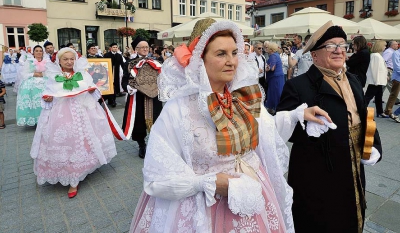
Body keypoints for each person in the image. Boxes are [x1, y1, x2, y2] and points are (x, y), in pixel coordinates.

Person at [129, 18, 333, 232]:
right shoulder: (179, 109)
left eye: (234, 53)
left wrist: (296, 114)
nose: (232, 61)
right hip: (207, 207)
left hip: (253, 196)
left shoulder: (243, 97)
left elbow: (265, 131)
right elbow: (157, 173)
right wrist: (207, 183)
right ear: (200, 60)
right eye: (221, 54)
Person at [277, 21, 382, 233]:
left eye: (342, 45)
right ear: (314, 56)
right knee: (322, 220)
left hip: (352, 168)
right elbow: (284, 129)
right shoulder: (297, 86)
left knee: (352, 215)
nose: (338, 50)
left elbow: (365, 116)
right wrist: (303, 125)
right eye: (330, 46)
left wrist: (374, 145)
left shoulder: (353, 81)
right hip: (318, 175)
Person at [30, 47, 117, 198]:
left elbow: (95, 90)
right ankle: (67, 171)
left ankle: (75, 177)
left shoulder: (82, 74)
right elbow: (48, 94)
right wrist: (48, 98)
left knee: (82, 141)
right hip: (61, 115)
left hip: (82, 112)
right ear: (59, 61)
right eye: (66, 59)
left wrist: (91, 90)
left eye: (72, 59)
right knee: (65, 142)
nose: (69, 62)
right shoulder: (54, 76)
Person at [121, 36, 163, 159]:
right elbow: (124, 80)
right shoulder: (128, 64)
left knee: (157, 119)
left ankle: (156, 144)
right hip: (137, 97)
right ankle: (141, 145)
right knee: (138, 122)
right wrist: (128, 87)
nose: (145, 49)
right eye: (142, 47)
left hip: (154, 97)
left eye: (147, 47)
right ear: (136, 49)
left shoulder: (156, 62)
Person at [16, 45, 47, 126]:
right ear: (33, 52)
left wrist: (43, 74)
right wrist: (34, 74)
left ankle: (46, 119)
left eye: (40, 51)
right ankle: (36, 120)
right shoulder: (29, 61)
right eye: (36, 51)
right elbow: (24, 74)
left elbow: (50, 72)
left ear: (43, 52)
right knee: (34, 102)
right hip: (32, 84)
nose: (39, 52)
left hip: (45, 82)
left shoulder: (47, 61)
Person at [364, 41, 388, 118]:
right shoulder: (375, 56)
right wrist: (376, 81)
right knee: (368, 97)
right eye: (384, 46)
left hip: (378, 80)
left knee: (378, 96)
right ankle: (362, 110)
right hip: (376, 81)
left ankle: (380, 111)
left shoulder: (377, 55)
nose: (385, 47)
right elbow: (375, 69)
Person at [264, 42, 284, 115]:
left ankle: (275, 110)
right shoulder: (276, 55)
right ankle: (277, 109)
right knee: (278, 93)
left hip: (275, 78)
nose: (266, 49)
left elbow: (272, 68)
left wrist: (264, 69)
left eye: (268, 48)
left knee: (274, 94)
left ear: (271, 49)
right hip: (278, 77)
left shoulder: (273, 56)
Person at [103, 43, 124, 107]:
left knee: (115, 86)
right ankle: (110, 100)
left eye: (116, 47)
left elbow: (122, 64)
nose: (115, 48)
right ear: (111, 48)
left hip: (116, 73)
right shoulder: (107, 55)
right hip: (108, 73)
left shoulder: (119, 55)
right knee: (109, 86)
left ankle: (113, 100)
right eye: (114, 47)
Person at [384, 45, 400, 121]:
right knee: (394, 94)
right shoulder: (396, 53)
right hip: (397, 78)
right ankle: (388, 110)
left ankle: (390, 111)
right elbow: (397, 67)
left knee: (393, 94)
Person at [382, 40, 400, 105]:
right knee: (391, 85)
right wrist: (385, 71)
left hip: (389, 70)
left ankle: (377, 98)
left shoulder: (392, 51)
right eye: (396, 44)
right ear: (392, 45)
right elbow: (383, 61)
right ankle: (396, 100)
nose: (397, 45)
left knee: (384, 85)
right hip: (388, 70)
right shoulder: (389, 52)